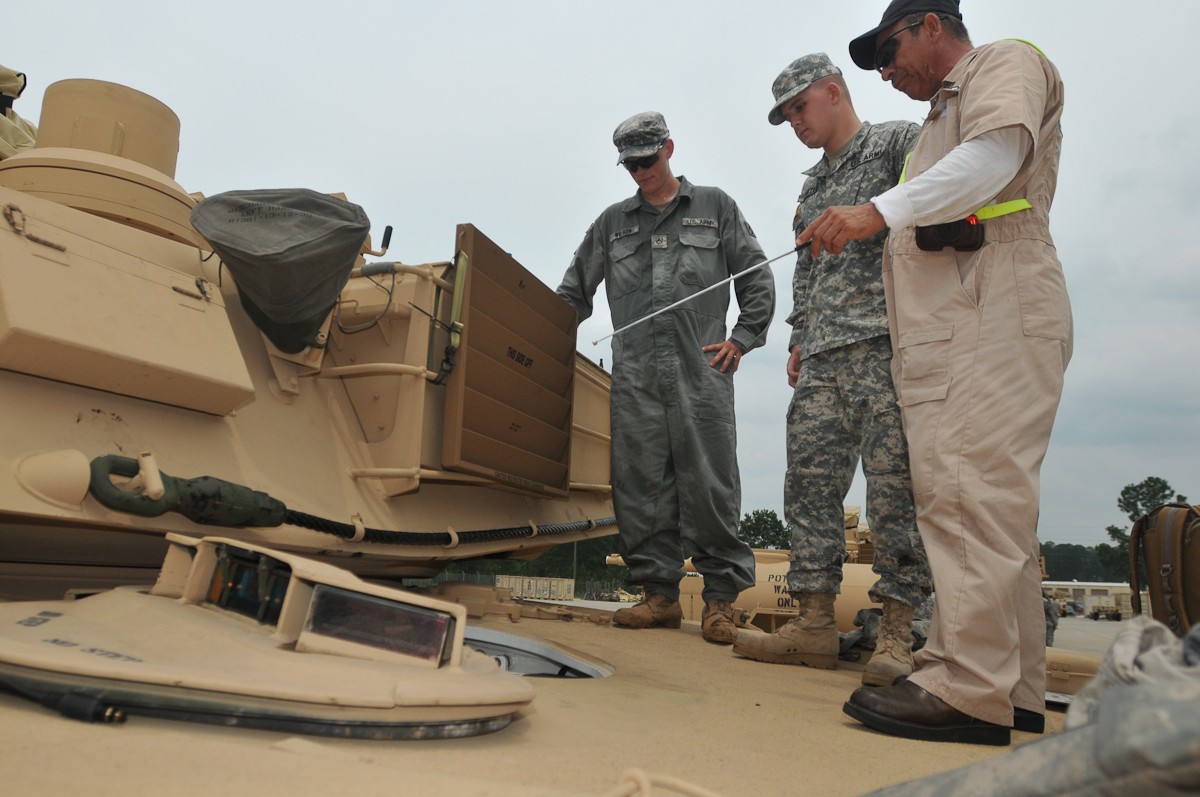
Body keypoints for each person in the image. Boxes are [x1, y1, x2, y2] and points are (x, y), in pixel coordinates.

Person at [798, 0, 1072, 746]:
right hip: (964, 316)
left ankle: (967, 685)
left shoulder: (1000, 64)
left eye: (889, 52)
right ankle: (1012, 689)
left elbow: (994, 157)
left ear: (929, 25)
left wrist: (874, 211)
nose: (886, 72)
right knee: (992, 507)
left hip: (991, 302)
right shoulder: (934, 123)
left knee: (966, 494)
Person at [731, 54, 931, 688]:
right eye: (786, 115)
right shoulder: (812, 185)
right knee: (810, 486)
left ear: (834, 92)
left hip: (885, 344)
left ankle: (900, 628)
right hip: (821, 355)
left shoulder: (899, 142)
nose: (794, 122)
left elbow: (942, 194)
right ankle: (814, 620)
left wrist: (874, 209)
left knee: (894, 488)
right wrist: (798, 336)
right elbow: (809, 269)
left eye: (799, 107)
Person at [557, 112, 775, 645]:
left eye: (647, 161)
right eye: (629, 164)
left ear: (669, 149)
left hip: (703, 373)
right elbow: (570, 295)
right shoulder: (612, 223)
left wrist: (742, 339)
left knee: (711, 484)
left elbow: (758, 277)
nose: (639, 173)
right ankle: (657, 596)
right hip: (635, 378)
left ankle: (721, 602)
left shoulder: (715, 207)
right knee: (639, 485)